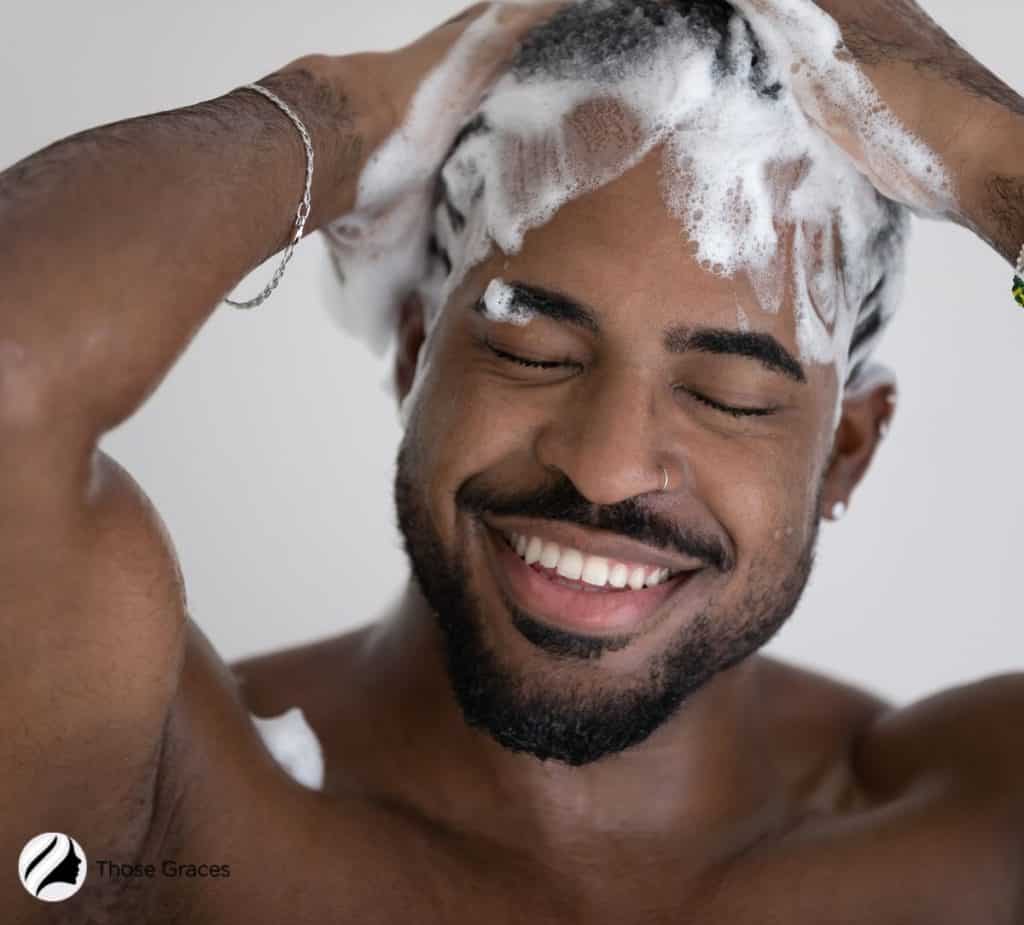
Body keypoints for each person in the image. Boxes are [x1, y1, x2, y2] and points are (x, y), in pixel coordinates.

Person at [2, 1, 1022, 922]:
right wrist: (338, 113)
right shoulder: (152, 801)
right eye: (530, 351)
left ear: (846, 451)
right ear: (415, 355)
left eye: (728, 395)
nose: (605, 467)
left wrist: (986, 149)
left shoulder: (978, 826)